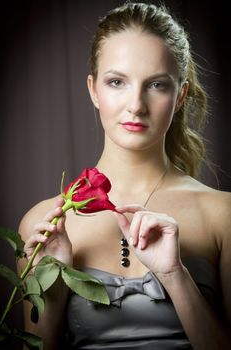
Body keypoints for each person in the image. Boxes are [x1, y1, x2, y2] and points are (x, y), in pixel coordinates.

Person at [19, 1, 231, 349]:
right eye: (117, 81)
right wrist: (51, 291)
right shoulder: (42, 224)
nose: (136, 104)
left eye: (157, 85)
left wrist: (176, 277)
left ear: (181, 96)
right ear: (93, 90)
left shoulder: (222, 215)